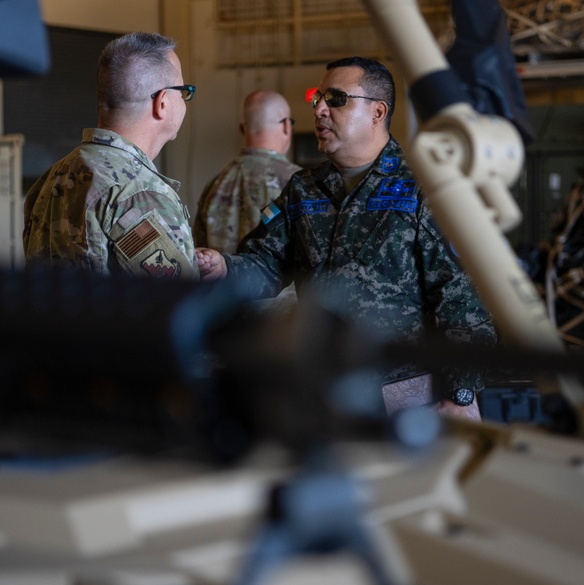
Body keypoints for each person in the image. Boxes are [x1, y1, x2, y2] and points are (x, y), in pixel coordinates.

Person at [198, 56, 496, 420]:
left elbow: (461, 299)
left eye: (336, 99)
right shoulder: (303, 189)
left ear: (377, 112)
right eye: (318, 99)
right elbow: (265, 263)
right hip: (321, 396)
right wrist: (224, 268)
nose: (320, 109)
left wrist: (460, 391)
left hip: (410, 401)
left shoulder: (422, 187)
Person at [23, 32, 205, 280]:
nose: (185, 101)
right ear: (162, 103)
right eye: (184, 91)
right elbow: (181, 306)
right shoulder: (140, 192)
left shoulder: (55, 175)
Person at [192, 89, 301, 252]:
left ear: (242, 129)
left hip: (223, 277)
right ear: (286, 125)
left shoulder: (215, 184)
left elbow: (200, 252)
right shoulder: (299, 182)